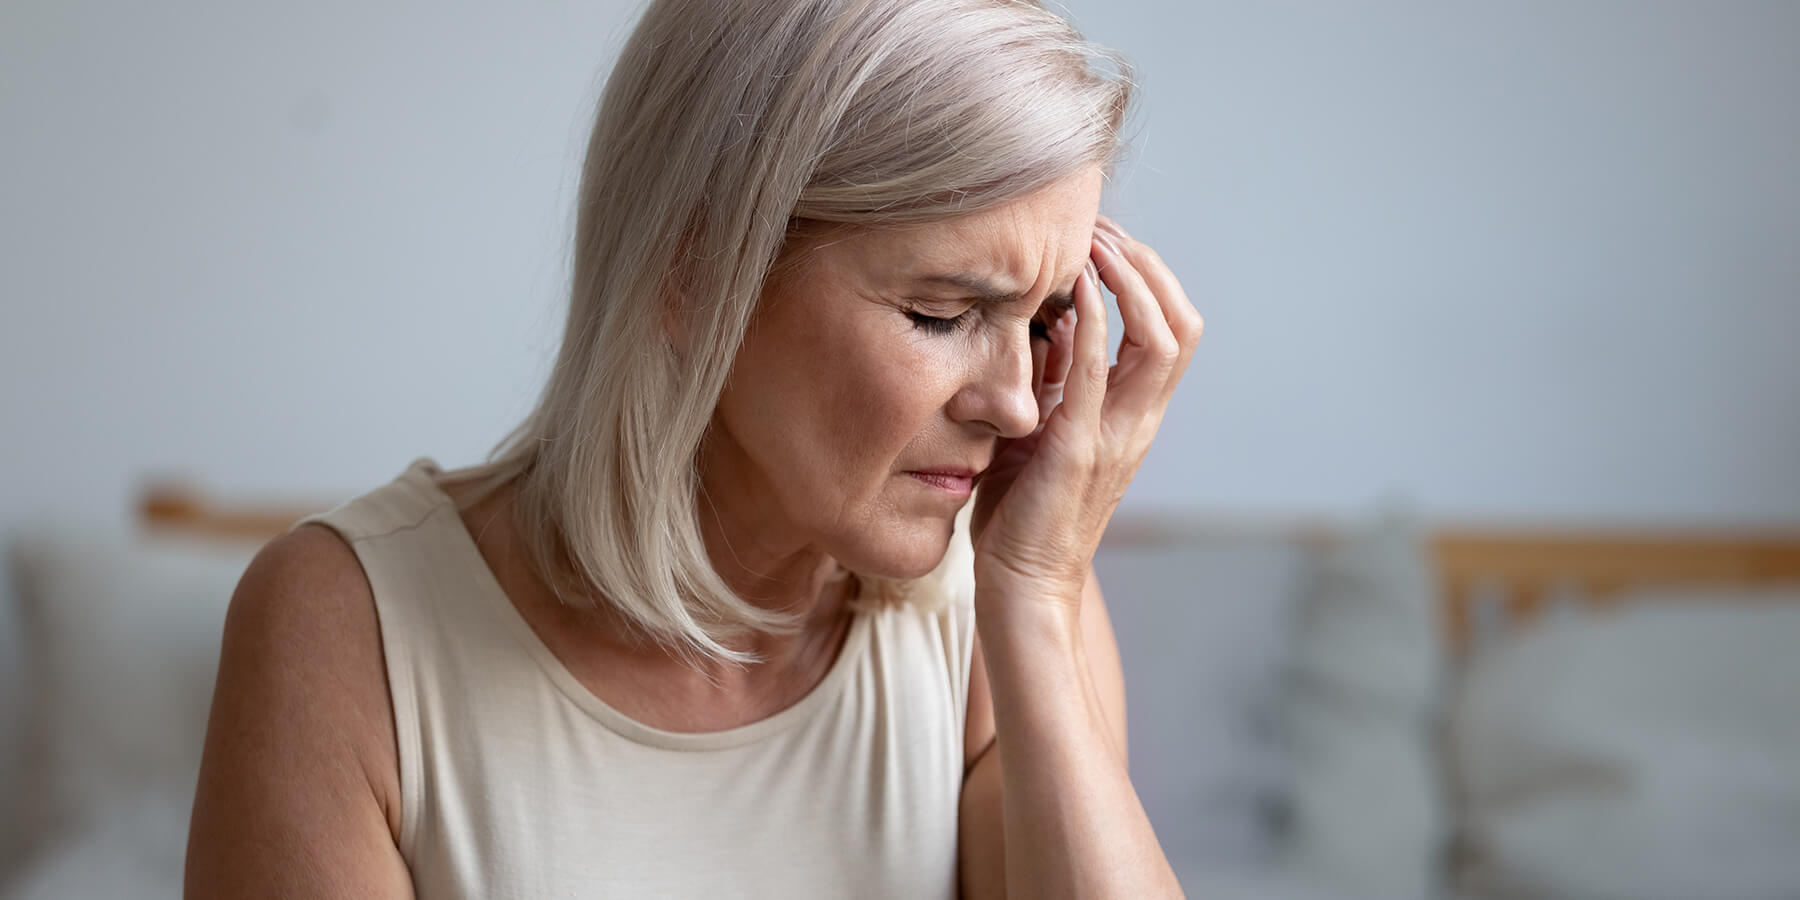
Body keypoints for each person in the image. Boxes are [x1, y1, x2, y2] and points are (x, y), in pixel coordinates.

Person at [184, 0, 1203, 896]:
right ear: (696, 275)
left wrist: (1032, 596)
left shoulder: (1000, 611)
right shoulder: (344, 626)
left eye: (1041, 322)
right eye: (941, 312)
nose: (1022, 408)